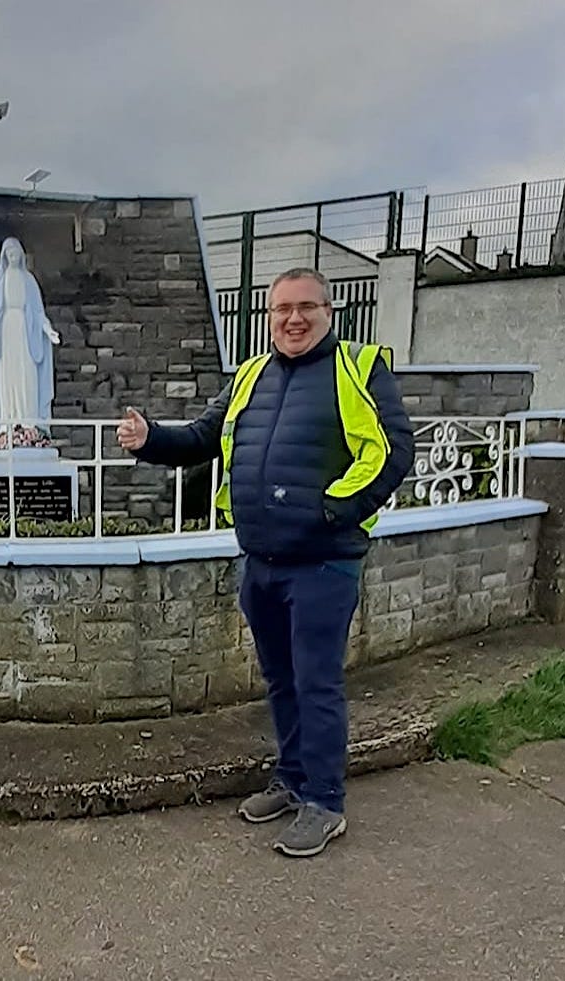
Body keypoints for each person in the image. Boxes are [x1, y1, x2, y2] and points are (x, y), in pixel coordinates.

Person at [117, 267, 413, 857]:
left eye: (307, 307)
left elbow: (394, 450)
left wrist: (332, 512)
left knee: (317, 681)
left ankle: (325, 802)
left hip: (325, 563)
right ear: (269, 317)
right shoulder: (250, 375)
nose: (294, 318)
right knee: (280, 679)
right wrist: (151, 439)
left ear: (329, 313)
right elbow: (204, 437)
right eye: (282, 309)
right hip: (262, 560)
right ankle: (294, 777)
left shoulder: (359, 368)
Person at [0, 237, 60, 446]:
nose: (13, 257)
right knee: (9, 376)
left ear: (21, 255)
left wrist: (48, 330)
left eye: (16, 253)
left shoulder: (29, 280)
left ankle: (29, 421)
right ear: (4, 257)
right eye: (9, 254)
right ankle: (9, 423)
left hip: (26, 333)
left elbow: (38, 311)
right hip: (6, 333)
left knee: (27, 375)